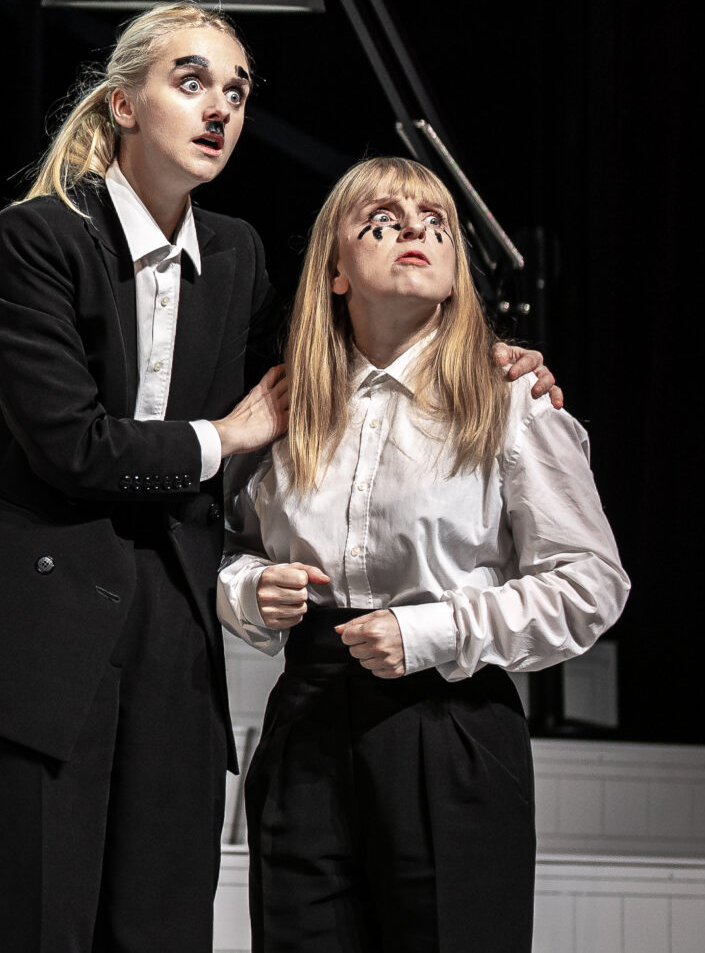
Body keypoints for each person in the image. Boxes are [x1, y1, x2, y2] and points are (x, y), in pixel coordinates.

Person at [0, 2, 561, 953]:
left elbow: (336, 359)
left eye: (237, 93)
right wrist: (224, 435)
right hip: (37, 621)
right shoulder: (38, 237)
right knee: (27, 923)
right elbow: (71, 445)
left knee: (163, 924)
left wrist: (485, 354)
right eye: (192, 81)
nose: (220, 108)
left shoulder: (238, 253)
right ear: (124, 104)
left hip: (171, 624)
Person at [221, 155, 629, 953]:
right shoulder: (285, 404)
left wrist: (431, 631)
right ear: (336, 270)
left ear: (454, 271)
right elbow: (229, 547)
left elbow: (592, 582)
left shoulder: (508, 398)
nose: (414, 227)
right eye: (382, 218)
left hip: (451, 719)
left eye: (436, 221)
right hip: (308, 718)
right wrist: (248, 590)